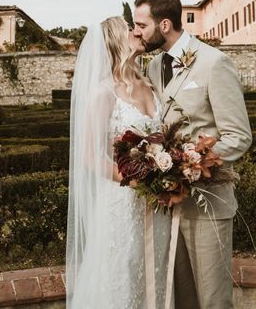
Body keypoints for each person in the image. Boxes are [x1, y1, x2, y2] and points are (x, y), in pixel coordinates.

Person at [133, 0, 252, 309]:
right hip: (167, 204)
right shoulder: (155, 66)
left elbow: (239, 136)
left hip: (208, 203)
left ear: (165, 24)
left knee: (212, 298)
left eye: (141, 25)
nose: (136, 32)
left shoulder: (215, 63)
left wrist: (189, 163)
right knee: (180, 297)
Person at [66, 16, 175, 309]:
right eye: (130, 28)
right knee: (123, 272)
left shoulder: (150, 84)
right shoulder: (103, 91)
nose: (138, 32)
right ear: (115, 39)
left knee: (155, 270)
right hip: (122, 200)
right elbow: (89, 157)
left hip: (157, 200)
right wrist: (136, 178)